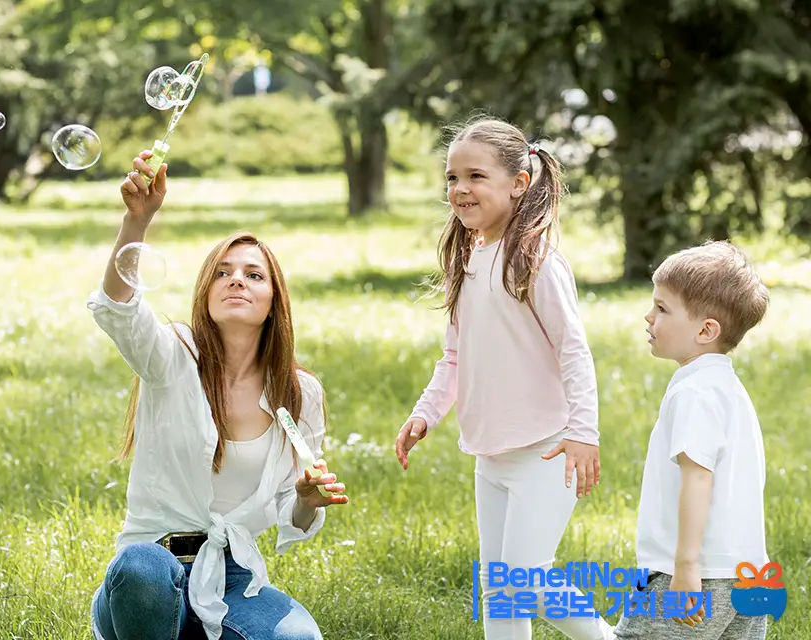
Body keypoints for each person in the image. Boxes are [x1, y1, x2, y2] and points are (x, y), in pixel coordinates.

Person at [87, 151, 349, 640]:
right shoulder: (173, 356)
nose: (237, 280)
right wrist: (136, 221)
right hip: (150, 572)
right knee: (142, 568)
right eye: (224, 272)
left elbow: (292, 510)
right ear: (206, 292)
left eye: (254, 275)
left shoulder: (298, 392)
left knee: (301, 639)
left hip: (231, 579)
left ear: (274, 304)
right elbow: (118, 309)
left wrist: (308, 499)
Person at [394, 116, 614, 640]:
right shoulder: (466, 260)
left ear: (519, 183)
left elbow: (574, 351)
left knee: (527, 582)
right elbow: (454, 357)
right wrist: (426, 412)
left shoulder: (534, 260)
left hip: (546, 450)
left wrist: (584, 432)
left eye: (475, 176)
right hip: (490, 456)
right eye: (451, 178)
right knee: (500, 589)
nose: (460, 189)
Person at [612, 240, 771, 639]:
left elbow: (697, 478)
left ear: (705, 330)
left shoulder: (693, 393)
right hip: (751, 575)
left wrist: (684, 567)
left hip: (692, 574)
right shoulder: (728, 388)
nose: (648, 316)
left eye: (662, 308)